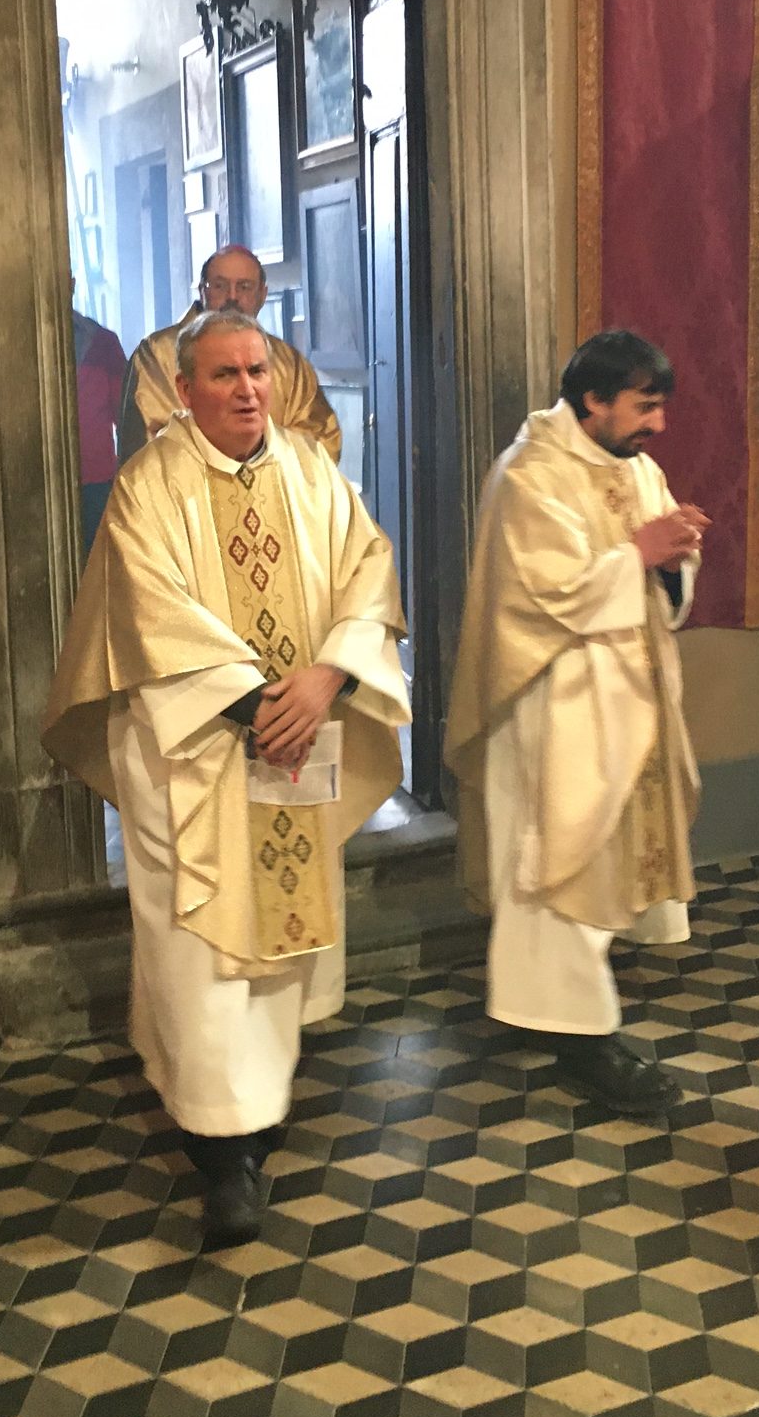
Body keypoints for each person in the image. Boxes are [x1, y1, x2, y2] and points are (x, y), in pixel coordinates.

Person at [44, 308, 408, 1245]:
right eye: (224, 375)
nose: (247, 389)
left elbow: (369, 572)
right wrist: (260, 706)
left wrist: (325, 680)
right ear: (185, 389)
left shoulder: (312, 472)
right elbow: (149, 613)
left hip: (297, 741)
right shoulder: (149, 486)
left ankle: (259, 1108)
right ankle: (220, 1150)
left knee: (275, 942)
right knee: (200, 950)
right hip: (197, 754)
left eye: (258, 371)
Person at [445, 329, 709, 1116]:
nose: (659, 424)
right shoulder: (529, 474)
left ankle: (570, 1004)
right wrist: (640, 554)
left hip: (631, 698)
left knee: (604, 855)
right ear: (594, 400)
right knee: (558, 856)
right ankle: (578, 1034)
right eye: (644, 407)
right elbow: (541, 594)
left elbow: (659, 569)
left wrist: (672, 561)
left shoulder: (637, 466)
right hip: (556, 707)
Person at [117, 244, 341, 465]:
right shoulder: (158, 354)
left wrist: (259, 467)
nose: (232, 297)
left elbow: (320, 443)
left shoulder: (289, 363)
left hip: (275, 487)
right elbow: (150, 443)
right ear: (203, 291)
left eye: (244, 287)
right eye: (219, 286)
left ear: (262, 295)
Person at [72, 282, 127, 550]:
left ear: (71, 284)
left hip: (96, 483)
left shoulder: (103, 343)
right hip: (37, 481)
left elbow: (126, 419)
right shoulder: (19, 345)